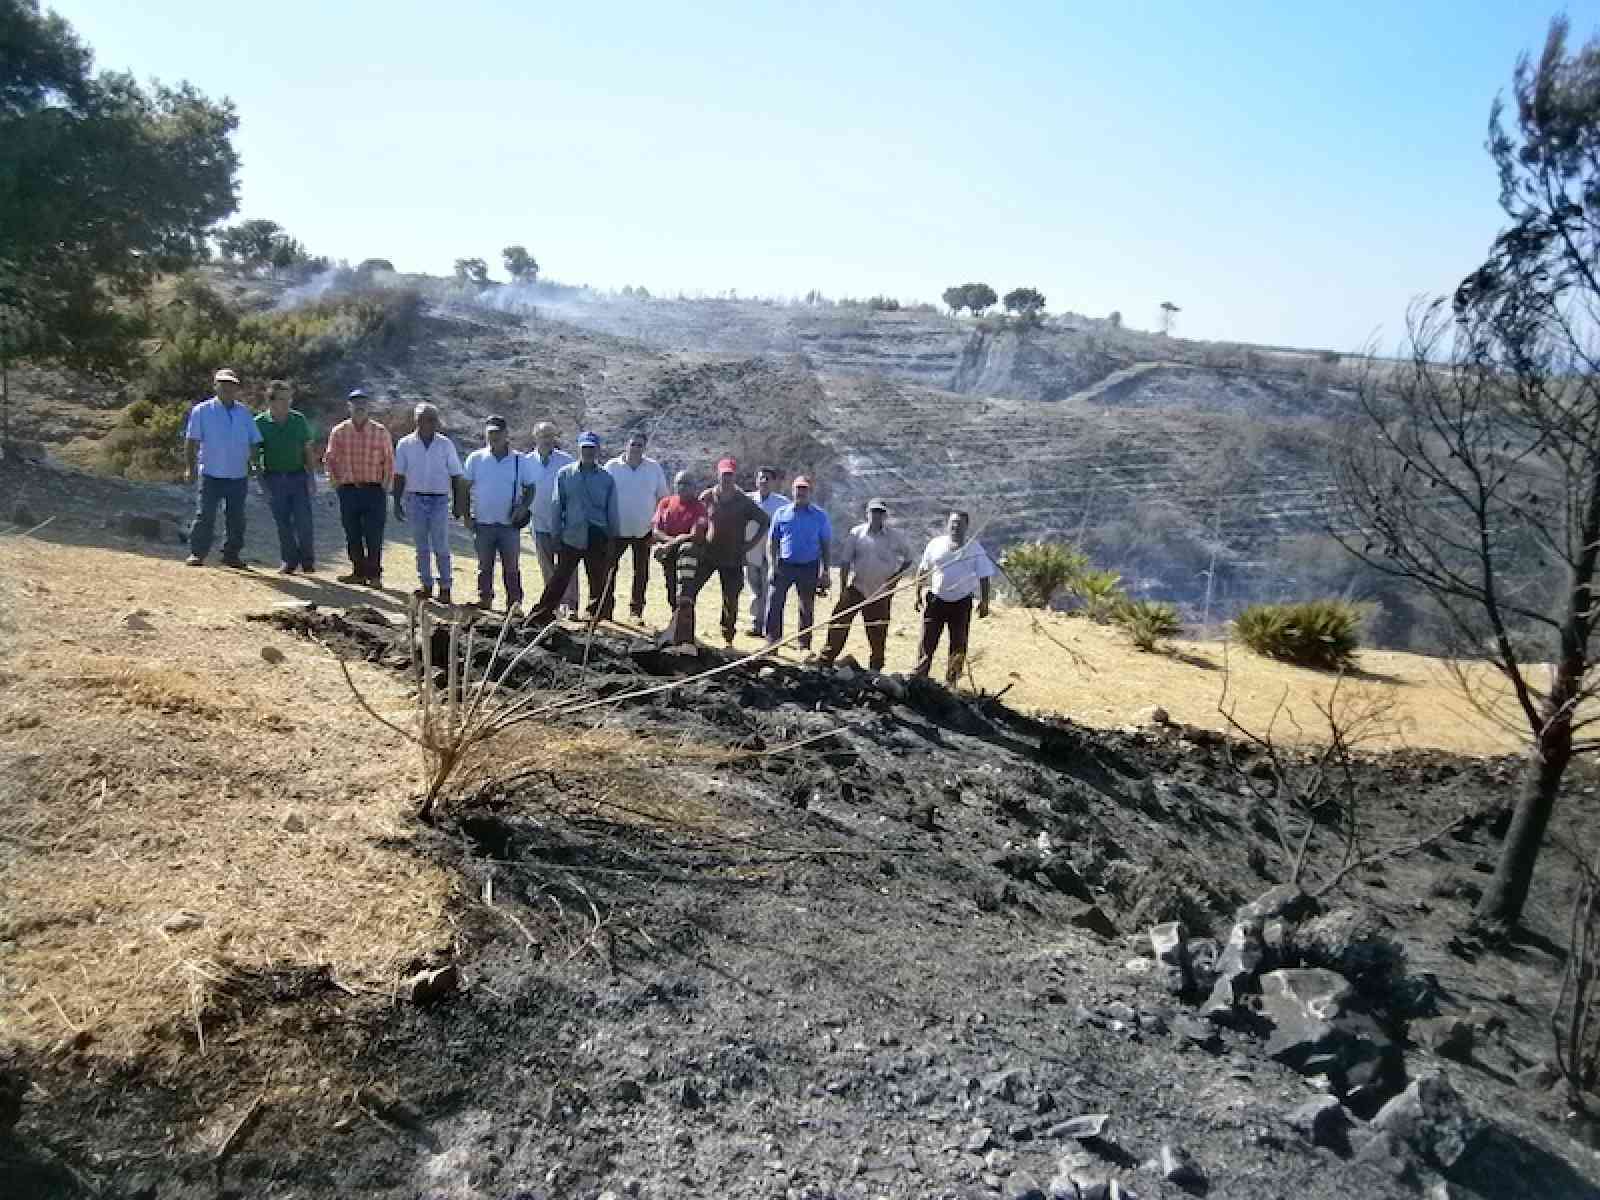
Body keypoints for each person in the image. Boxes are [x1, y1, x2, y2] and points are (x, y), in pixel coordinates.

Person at [527, 431, 620, 623]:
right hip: (572, 534)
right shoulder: (565, 474)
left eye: (592, 449)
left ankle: (598, 615)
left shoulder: (606, 478)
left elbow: (612, 510)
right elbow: (556, 506)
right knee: (560, 578)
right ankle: (542, 613)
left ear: (598, 450)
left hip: (597, 534)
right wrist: (556, 534)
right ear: (579, 448)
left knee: (598, 579)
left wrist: (613, 538)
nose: (588, 452)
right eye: (585, 448)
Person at [817, 498, 913, 671]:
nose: (877, 516)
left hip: (881, 591)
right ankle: (826, 660)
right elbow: (845, 562)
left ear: (885, 515)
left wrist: (896, 578)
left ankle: (875, 668)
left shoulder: (895, 537)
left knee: (878, 630)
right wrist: (843, 587)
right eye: (873, 512)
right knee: (839, 621)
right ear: (867, 513)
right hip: (857, 588)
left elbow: (909, 558)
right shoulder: (857, 533)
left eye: (880, 512)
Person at [184, 368, 262, 568]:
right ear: (215, 386)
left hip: (238, 474)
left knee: (236, 518)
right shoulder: (202, 411)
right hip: (211, 472)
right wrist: (190, 468)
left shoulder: (244, 412)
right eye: (223, 384)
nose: (228, 388)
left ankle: (231, 555)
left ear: (237, 388)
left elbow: (254, 441)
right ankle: (197, 553)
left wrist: (254, 463)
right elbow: (191, 441)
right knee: (205, 515)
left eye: (232, 385)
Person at [392, 403, 466, 603]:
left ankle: (445, 587)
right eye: (427, 419)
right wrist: (396, 501)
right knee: (421, 546)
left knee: (441, 545)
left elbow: (456, 475)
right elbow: (398, 475)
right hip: (414, 499)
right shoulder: (405, 444)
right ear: (417, 421)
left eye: (434, 419)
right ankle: (425, 585)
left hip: (439, 500)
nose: (432, 423)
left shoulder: (445, 444)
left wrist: (458, 503)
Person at [914, 510, 997, 686]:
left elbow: (984, 576)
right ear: (948, 524)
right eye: (953, 523)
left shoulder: (974, 549)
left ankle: (952, 683)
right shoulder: (935, 544)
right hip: (935, 600)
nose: (955, 527)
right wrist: (917, 594)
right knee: (927, 641)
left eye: (960, 524)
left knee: (958, 644)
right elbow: (922, 569)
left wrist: (984, 602)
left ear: (966, 526)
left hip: (961, 603)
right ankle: (920, 678)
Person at [462, 415, 534, 612]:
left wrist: (523, 508)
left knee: (511, 567)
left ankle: (515, 604)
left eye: (497, 433)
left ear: (506, 433)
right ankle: (485, 599)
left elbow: (531, 488)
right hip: (483, 523)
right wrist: (466, 515)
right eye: (490, 433)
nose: (493, 436)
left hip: (509, 525)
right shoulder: (476, 459)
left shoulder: (520, 460)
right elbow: (464, 487)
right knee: (484, 566)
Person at [696, 458, 771, 646]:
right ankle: (684, 628)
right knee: (691, 589)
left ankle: (728, 637)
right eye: (724, 474)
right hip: (709, 553)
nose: (727, 478)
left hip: (733, 557)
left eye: (730, 474)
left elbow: (764, 521)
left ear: (734, 476)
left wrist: (749, 545)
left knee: (731, 599)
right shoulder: (707, 497)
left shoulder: (743, 501)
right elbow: (696, 517)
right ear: (718, 474)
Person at [323, 388, 393, 587]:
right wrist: (335, 482)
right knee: (352, 533)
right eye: (355, 403)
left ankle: (375, 575)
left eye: (363, 403)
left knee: (374, 534)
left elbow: (389, 460)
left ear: (368, 406)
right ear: (349, 406)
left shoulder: (380, 432)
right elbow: (329, 459)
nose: (359, 406)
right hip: (349, 490)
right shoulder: (339, 432)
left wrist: (385, 485)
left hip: (374, 490)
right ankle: (358, 572)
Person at [603, 430, 670, 620]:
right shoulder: (612, 467)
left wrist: (658, 528)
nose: (635, 448)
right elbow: (603, 495)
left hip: (644, 531)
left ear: (644, 447)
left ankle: (636, 611)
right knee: (609, 569)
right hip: (616, 529)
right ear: (626, 444)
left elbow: (663, 499)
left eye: (640, 445)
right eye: (633, 444)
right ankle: (605, 610)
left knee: (641, 573)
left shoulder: (653, 468)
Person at [253, 379, 318, 575]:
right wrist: (261, 483)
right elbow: (255, 455)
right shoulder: (260, 423)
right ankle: (289, 561)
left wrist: (312, 477)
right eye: (282, 399)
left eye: (289, 399)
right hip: (273, 478)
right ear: (271, 401)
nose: (286, 403)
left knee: (304, 521)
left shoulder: (298, 419)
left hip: (297, 476)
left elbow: (307, 450)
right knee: (283, 523)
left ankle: (307, 561)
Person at [764, 476, 832, 651]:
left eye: (804, 489)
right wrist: (772, 565)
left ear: (810, 492)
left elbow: (825, 545)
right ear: (792, 491)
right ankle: (773, 641)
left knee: (806, 606)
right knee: (774, 602)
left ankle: (804, 644)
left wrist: (826, 572)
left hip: (809, 566)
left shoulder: (820, 516)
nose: (801, 492)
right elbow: (772, 541)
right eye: (798, 489)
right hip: (784, 565)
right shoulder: (781, 513)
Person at [524, 421, 577, 615]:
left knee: (567, 566)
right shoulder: (526, 461)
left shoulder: (566, 460)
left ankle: (570, 604)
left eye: (550, 436)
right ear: (535, 437)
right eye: (543, 436)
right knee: (546, 566)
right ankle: (552, 604)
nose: (546, 440)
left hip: (563, 523)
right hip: (539, 522)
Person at [652, 471, 708, 611]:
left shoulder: (699, 507)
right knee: (671, 590)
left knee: (685, 594)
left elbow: (694, 535)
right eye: (679, 484)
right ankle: (675, 621)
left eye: (687, 484)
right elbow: (656, 530)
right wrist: (669, 544)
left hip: (688, 557)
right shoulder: (665, 503)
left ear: (694, 487)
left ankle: (684, 624)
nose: (682, 487)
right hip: (669, 554)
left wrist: (668, 545)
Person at [744, 466, 787, 637]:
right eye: (761, 478)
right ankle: (756, 623)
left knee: (769, 589)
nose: (764, 481)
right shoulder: (747, 500)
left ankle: (767, 626)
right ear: (756, 480)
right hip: (751, 551)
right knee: (755, 589)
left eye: (768, 478)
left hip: (772, 553)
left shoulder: (782, 503)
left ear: (774, 482)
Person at [664, 517, 712, 645]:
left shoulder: (702, 510)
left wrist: (671, 543)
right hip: (682, 555)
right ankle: (679, 633)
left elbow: (697, 535)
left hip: (697, 557)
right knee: (683, 596)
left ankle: (683, 636)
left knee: (686, 597)